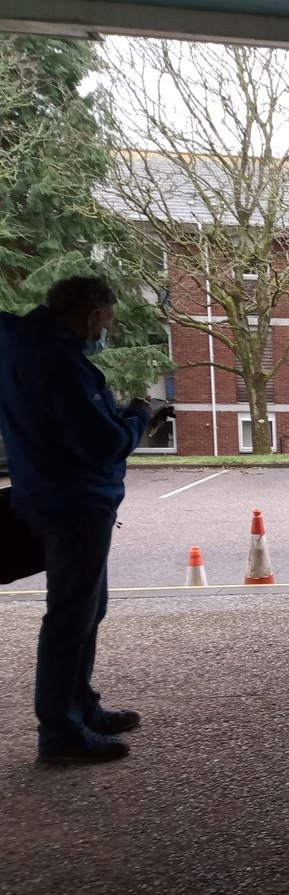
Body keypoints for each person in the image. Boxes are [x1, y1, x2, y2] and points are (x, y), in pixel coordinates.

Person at [0, 276, 155, 763]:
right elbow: (101, 444)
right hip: (73, 503)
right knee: (71, 617)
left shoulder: (18, 343)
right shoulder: (62, 365)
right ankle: (61, 733)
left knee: (88, 609)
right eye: (105, 323)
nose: (104, 333)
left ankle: (79, 705)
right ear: (92, 317)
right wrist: (138, 417)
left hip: (46, 493)